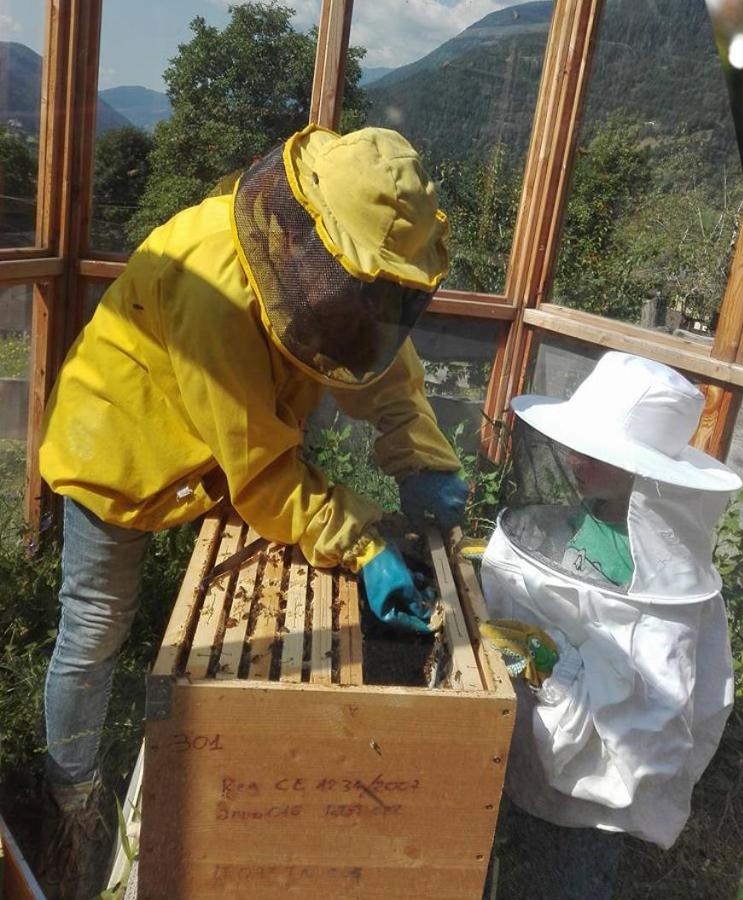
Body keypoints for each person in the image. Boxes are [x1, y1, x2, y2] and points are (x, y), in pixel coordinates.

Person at [36, 124, 469, 897]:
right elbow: (263, 474)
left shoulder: (328, 272)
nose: (374, 305)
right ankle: (69, 798)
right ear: (316, 247)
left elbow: (380, 367)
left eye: (388, 291)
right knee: (96, 623)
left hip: (211, 441)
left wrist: (424, 460)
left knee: (158, 619)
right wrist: (365, 545)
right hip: (117, 437)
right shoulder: (214, 285)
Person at [478, 351, 743, 898]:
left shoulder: (664, 566)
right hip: (535, 742)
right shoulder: (587, 516)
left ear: (643, 470)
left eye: (596, 451)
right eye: (576, 443)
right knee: (517, 854)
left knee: (574, 874)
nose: (575, 457)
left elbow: (652, 702)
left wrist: (559, 664)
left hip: (596, 801)